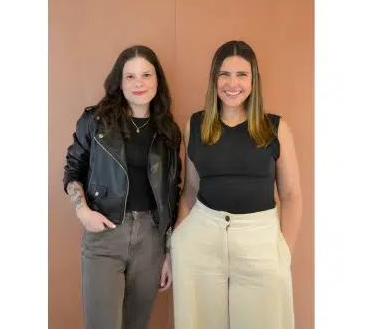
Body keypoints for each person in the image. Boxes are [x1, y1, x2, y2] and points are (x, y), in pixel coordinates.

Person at [170, 40, 303, 329]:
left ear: (253, 81)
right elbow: (190, 190)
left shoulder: (276, 128)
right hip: (203, 239)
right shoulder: (196, 125)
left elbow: (291, 195)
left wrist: (284, 252)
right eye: (224, 74)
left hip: (259, 239)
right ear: (214, 79)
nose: (233, 83)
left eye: (242, 75)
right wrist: (175, 241)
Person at [63, 45, 182, 329]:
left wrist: (168, 252)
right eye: (130, 76)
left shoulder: (168, 131)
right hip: (106, 234)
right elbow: (73, 170)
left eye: (146, 75)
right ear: (120, 81)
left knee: (135, 324)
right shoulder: (96, 121)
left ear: (157, 80)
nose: (139, 83)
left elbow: (172, 192)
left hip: (151, 239)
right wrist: (83, 212)